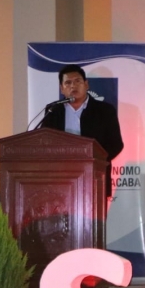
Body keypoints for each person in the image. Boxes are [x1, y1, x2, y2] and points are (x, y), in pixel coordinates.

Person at [40, 64, 124, 199]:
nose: (73, 86)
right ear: (62, 88)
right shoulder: (53, 111)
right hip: (61, 181)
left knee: (94, 220)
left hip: (94, 178)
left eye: (77, 81)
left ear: (86, 85)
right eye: (68, 82)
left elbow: (116, 144)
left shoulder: (105, 111)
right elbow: (45, 143)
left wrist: (95, 162)